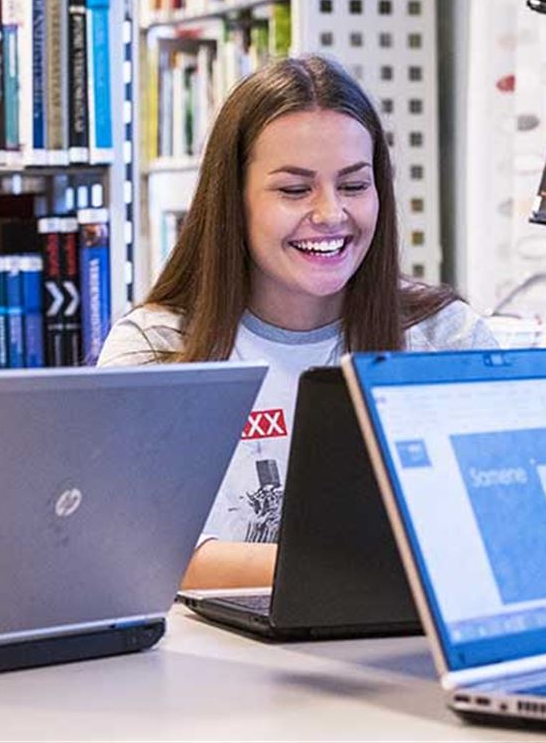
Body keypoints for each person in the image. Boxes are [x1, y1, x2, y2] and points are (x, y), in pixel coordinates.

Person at [97, 55, 496, 589]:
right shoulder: (156, 348)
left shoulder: (446, 338)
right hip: (210, 667)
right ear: (232, 201)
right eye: (293, 190)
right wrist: (377, 569)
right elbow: (132, 557)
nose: (331, 213)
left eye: (354, 186)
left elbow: (503, 528)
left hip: (402, 662)